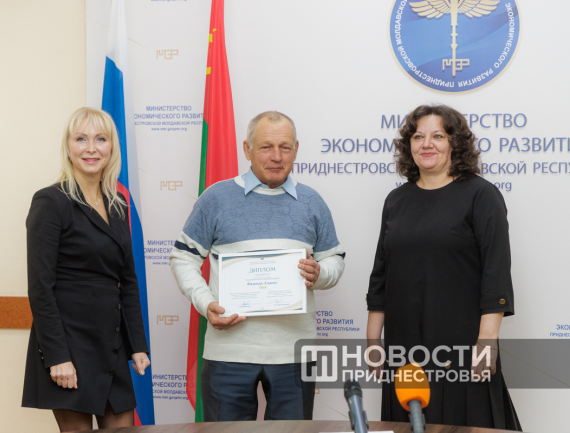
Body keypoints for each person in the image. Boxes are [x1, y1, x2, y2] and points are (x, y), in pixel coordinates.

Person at [170, 111, 345, 421]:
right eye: (266, 147)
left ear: (296, 149)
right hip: (228, 354)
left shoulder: (312, 201)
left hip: (294, 354)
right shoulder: (216, 198)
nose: (276, 157)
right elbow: (183, 257)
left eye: (285, 147)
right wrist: (206, 302)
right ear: (247, 149)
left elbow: (334, 259)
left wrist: (320, 274)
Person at [366, 104, 521, 430]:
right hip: (404, 343)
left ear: (455, 143)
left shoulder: (481, 195)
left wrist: (486, 342)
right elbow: (381, 273)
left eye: (438, 136)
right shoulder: (396, 201)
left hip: (462, 343)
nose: (427, 144)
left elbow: (495, 272)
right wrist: (373, 339)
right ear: (408, 145)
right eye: (418, 136)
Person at [22, 107, 150, 432]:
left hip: (111, 345)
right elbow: (40, 287)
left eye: (100, 139)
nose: (91, 148)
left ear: (111, 147)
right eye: (81, 139)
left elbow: (127, 280)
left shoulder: (118, 204)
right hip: (69, 346)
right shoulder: (50, 202)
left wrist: (137, 344)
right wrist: (56, 356)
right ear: (68, 147)